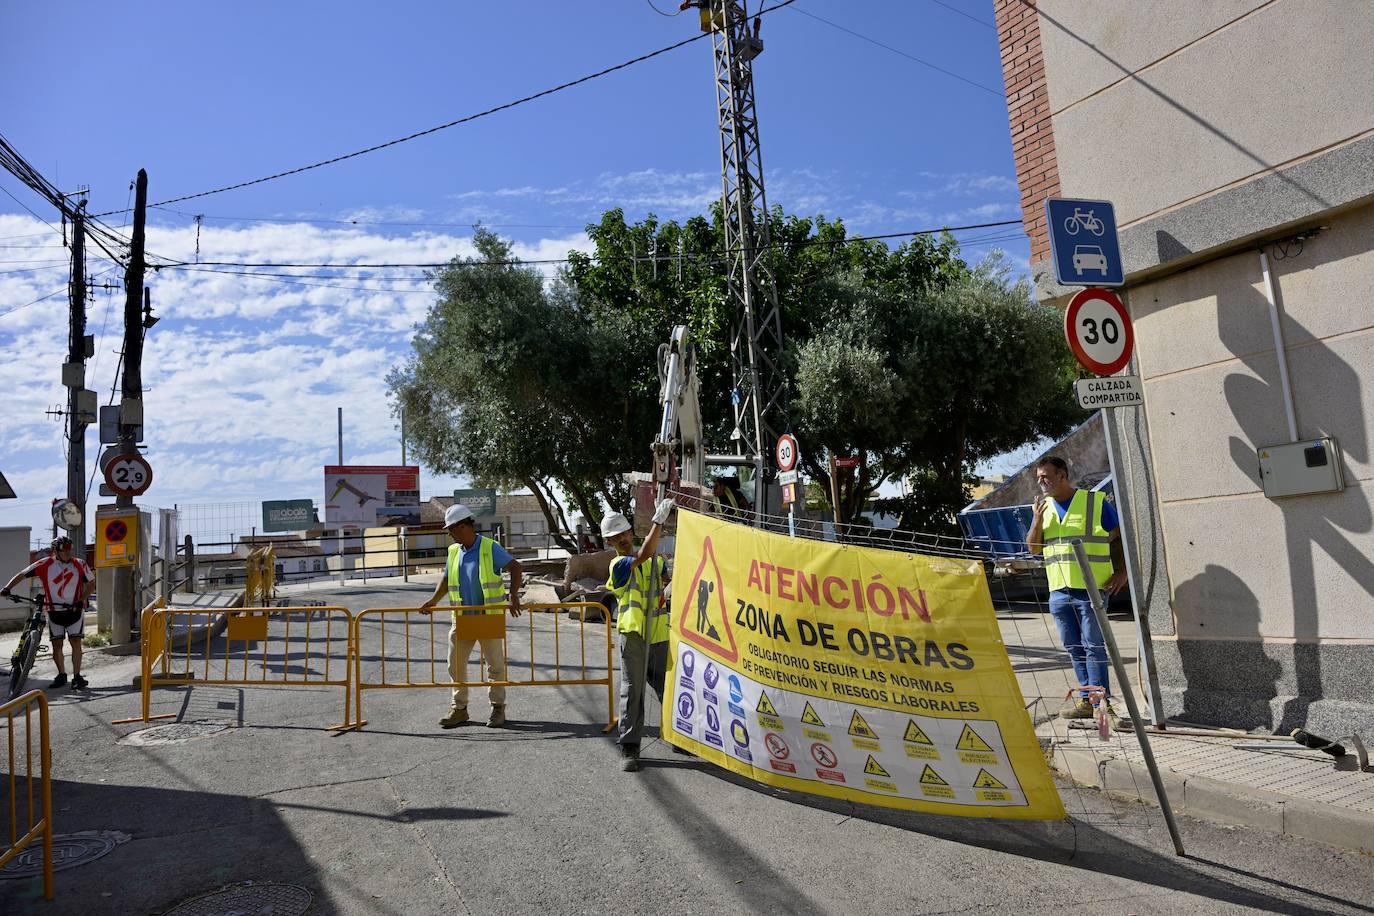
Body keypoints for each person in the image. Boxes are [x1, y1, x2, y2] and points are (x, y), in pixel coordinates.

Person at [1025, 456, 1128, 726]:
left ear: (1062, 476)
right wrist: (1036, 520)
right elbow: (1033, 549)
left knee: (1094, 647)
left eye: (1046, 476)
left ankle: (1102, 706)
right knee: (1074, 648)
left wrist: (1123, 572)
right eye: (1038, 477)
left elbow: (1122, 536)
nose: (1041, 481)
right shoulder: (1043, 508)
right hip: (1059, 591)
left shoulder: (1094, 502)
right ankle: (1086, 701)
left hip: (1092, 589)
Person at [421, 504, 523, 729]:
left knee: (494, 666)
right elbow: (447, 580)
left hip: (488, 616)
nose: (449, 534)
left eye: (451, 529)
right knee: (455, 665)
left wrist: (514, 595)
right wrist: (434, 600)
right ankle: (459, 709)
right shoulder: (453, 551)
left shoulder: (489, 547)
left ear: (463, 526)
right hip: (462, 618)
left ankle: (497, 708)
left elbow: (515, 567)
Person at [603, 498, 676, 772]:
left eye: (624, 533)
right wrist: (658, 521)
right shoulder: (619, 565)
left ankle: (676, 735)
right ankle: (629, 746)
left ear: (630, 532)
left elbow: (665, 580)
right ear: (609, 542)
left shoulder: (656, 561)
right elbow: (642, 555)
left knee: (669, 689)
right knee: (633, 692)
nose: (621, 539)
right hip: (633, 636)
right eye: (615, 537)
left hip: (658, 634)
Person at [1, 536, 94, 690]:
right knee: (57, 645)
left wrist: (82, 599)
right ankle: (61, 675)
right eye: (64, 549)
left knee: (76, 642)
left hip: (75, 610)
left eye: (69, 548)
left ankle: (77, 677)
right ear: (55, 550)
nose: (68, 552)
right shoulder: (45, 564)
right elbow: (22, 574)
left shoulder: (80, 564)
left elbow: (91, 583)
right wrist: (7, 588)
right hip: (53, 610)